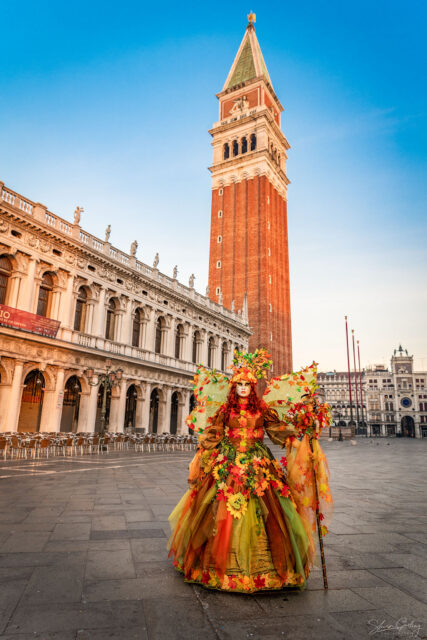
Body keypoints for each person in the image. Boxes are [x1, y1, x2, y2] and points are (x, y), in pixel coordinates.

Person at [168, 349, 333, 593]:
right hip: (228, 463)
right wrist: (203, 451)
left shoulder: (262, 410)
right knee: (217, 508)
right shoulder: (225, 411)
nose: (243, 388)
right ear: (233, 387)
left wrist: (299, 438)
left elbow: (277, 430)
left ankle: (267, 569)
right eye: (239, 384)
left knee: (270, 511)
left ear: (253, 386)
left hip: (258, 463)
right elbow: (213, 434)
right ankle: (218, 566)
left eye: (247, 384)